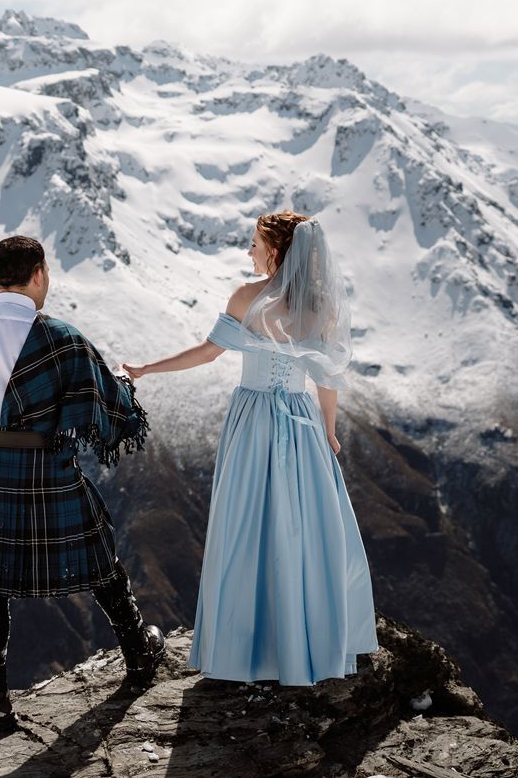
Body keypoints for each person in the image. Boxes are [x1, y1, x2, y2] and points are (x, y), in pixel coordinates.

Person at [122, 212, 378, 686]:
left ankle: (248, 648)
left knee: (245, 523)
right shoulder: (321, 306)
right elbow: (327, 376)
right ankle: (307, 643)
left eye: (255, 244)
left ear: (276, 251)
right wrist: (328, 430)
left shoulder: (247, 297)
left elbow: (207, 351)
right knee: (304, 527)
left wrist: (147, 370)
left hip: (254, 417)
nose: (249, 252)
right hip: (301, 422)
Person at [0, 234, 160, 730]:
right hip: (51, 467)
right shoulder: (65, 338)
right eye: (46, 273)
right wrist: (123, 382)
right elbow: (109, 403)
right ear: (37, 275)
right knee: (98, 554)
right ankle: (139, 655)